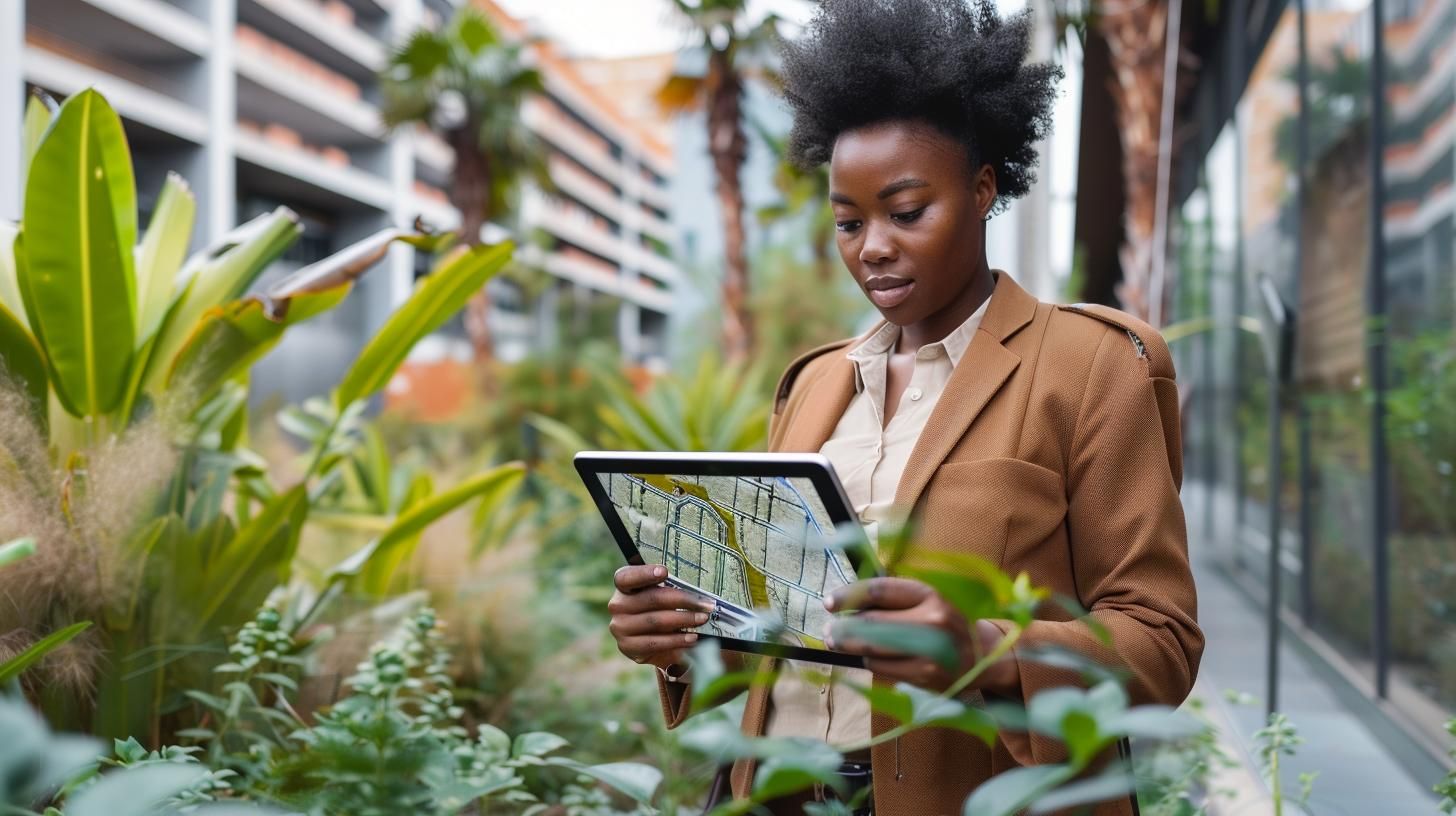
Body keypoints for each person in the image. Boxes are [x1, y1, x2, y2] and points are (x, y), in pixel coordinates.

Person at [606, 1, 1203, 813]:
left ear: (985, 188)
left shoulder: (1091, 366)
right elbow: (779, 636)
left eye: (907, 211)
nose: (872, 246)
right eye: (848, 221)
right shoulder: (812, 385)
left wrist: (983, 650)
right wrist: (678, 641)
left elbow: (1160, 641)